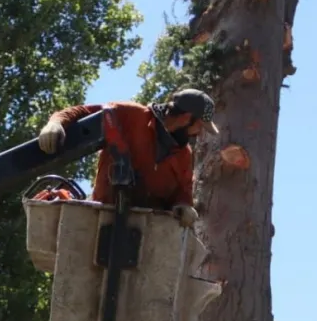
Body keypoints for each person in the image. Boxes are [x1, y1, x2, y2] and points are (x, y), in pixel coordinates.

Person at [36, 89, 219, 228]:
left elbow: (184, 190)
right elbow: (83, 112)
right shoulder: (129, 115)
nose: (200, 132)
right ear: (187, 118)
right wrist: (55, 123)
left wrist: (184, 206)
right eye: (200, 126)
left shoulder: (184, 155)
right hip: (100, 219)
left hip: (146, 233)